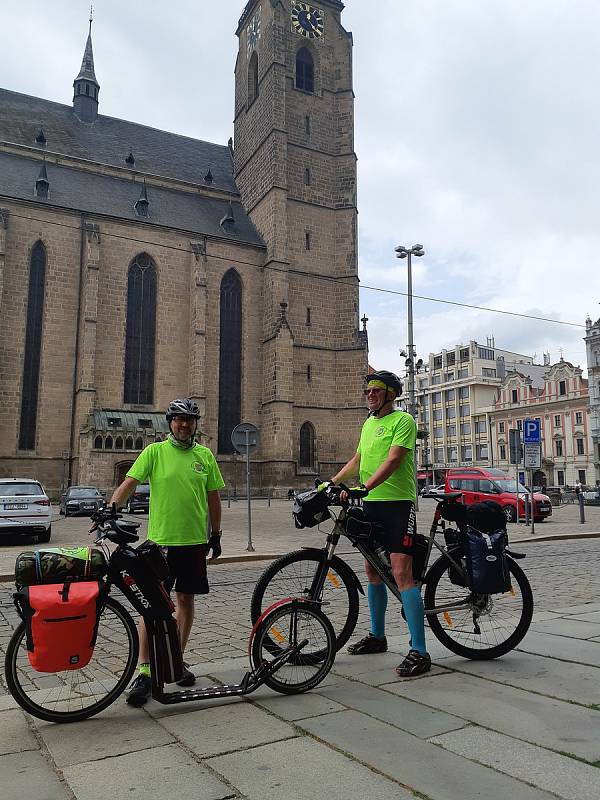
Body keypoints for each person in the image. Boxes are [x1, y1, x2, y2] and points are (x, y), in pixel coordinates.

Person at [109, 398, 225, 706]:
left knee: (185, 600)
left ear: (194, 424)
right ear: (170, 422)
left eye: (189, 419)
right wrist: (109, 509)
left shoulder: (205, 456)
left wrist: (216, 534)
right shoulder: (154, 452)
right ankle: (145, 671)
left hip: (193, 543)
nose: (184, 424)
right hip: (159, 544)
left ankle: (176, 661)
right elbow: (129, 483)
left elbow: (213, 498)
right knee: (151, 608)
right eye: (178, 419)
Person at [328, 371, 431, 677]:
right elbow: (358, 460)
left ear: (391, 394)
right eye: (368, 390)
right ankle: (377, 636)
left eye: (376, 390)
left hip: (399, 506)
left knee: (402, 573)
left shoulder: (403, 422)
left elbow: (395, 460)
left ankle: (420, 651)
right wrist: (331, 483)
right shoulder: (369, 423)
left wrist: (365, 486)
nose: (370, 394)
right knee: (373, 569)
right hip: (371, 505)